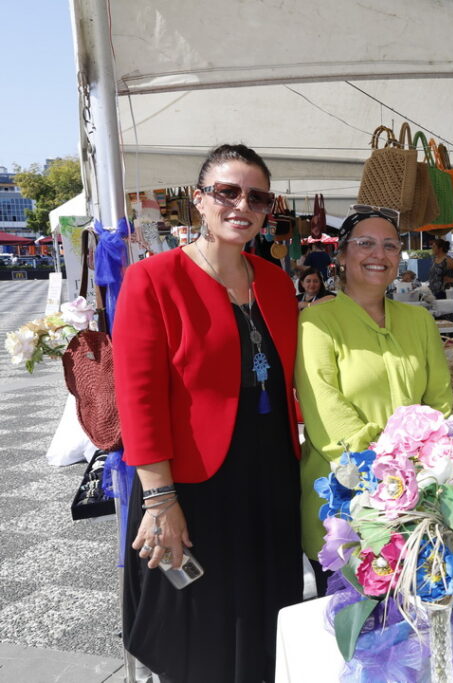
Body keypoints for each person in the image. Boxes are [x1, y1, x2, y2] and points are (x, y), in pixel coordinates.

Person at [113, 144, 302, 682]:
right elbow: (138, 398)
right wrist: (159, 498)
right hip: (192, 481)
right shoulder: (153, 279)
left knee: (267, 610)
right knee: (199, 620)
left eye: (257, 196)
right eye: (227, 191)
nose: (243, 204)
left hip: (269, 471)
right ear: (199, 200)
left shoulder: (275, 282)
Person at [295, 206, 453, 584]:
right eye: (365, 243)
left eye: (390, 246)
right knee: (353, 627)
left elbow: (440, 401)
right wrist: (385, 469)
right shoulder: (317, 321)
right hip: (348, 495)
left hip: (418, 495)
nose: (378, 254)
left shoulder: (418, 320)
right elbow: (324, 407)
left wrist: (418, 466)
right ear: (342, 256)